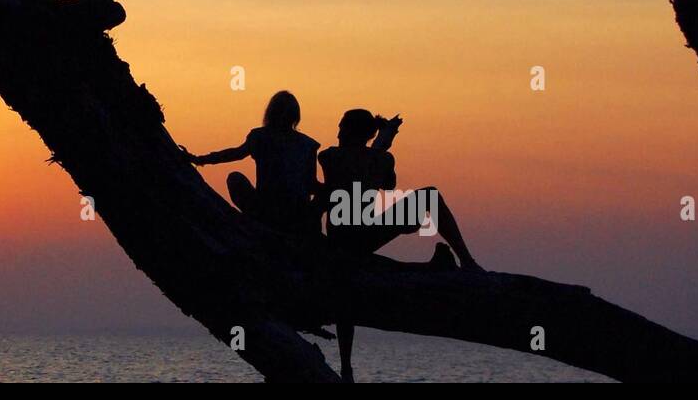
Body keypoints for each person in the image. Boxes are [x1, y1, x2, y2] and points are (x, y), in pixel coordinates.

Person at [316, 108, 481, 381]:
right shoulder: (379, 159)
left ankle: (346, 367)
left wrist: (382, 143)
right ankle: (466, 260)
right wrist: (384, 142)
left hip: (346, 238)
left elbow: (367, 173)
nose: (337, 133)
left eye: (342, 128)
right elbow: (388, 183)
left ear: (351, 132)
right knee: (429, 196)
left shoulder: (329, 157)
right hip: (360, 238)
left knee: (345, 293)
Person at [188, 91, 320, 239]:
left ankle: (260, 222)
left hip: (270, 210)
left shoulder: (261, 136)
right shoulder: (307, 144)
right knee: (235, 178)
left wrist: (199, 159)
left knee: (234, 178)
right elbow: (311, 184)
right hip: (293, 212)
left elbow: (235, 154)